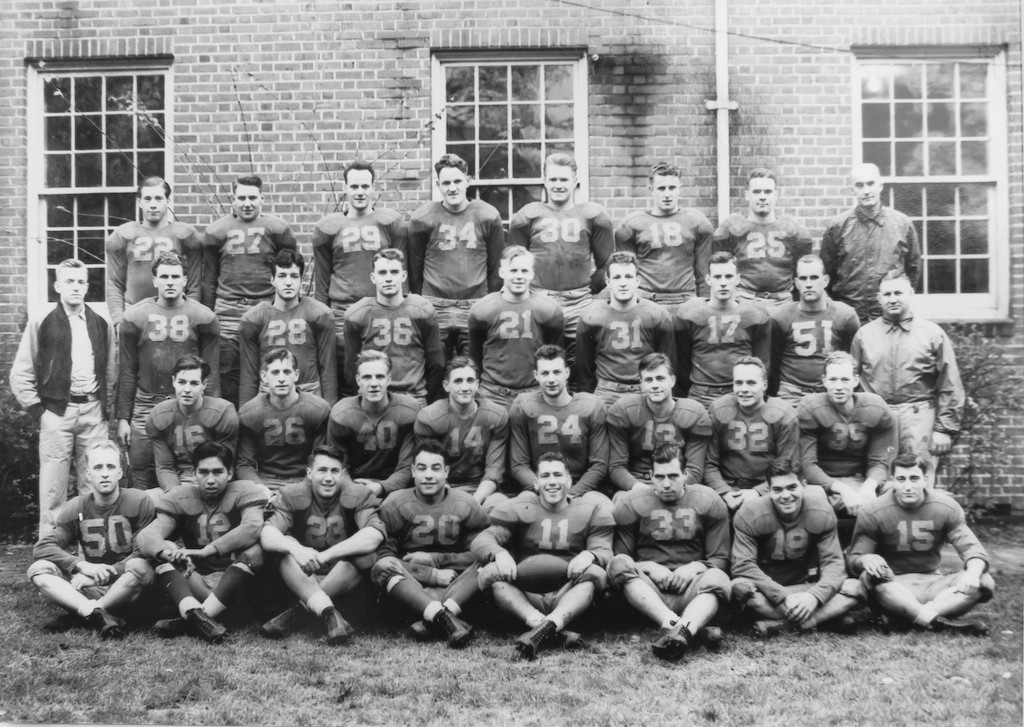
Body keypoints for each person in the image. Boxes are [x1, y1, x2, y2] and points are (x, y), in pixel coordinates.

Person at [10, 258, 116, 537]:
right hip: (57, 412)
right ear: (57, 285)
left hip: (93, 411)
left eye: (81, 282)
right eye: (69, 281)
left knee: (93, 484)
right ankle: (51, 550)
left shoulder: (101, 323)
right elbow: (20, 373)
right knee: (53, 489)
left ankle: (91, 548)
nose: (76, 287)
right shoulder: (43, 321)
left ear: (87, 286)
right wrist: (39, 411)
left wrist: (107, 408)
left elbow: (112, 371)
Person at [472, 452, 614, 660]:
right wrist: (500, 553)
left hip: (568, 592)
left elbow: (605, 550)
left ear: (569, 480)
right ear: (536, 483)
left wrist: (589, 554)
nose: (552, 482)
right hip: (527, 593)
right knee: (492, 573)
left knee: (594, 574)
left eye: (558, 475)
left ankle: (546, 627)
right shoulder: (522, 506)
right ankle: (545, 626)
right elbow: (482, 541)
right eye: (546, 476)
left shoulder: (589, 509)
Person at [846, 454, 994, 635]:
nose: (908, 486)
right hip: (893, 586)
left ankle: (909, 619)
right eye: (901, 479)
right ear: (893, 481)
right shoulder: (873, 510)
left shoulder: (945, 507)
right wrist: (867, 558)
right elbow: (854, 559)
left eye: (914, 478)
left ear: (926, 480)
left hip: (933, 584)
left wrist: (972, 572)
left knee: (984, 580)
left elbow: (972, 548)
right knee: (870, 578)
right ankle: (939, 621)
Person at [608, 444, 730, 660]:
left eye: (673, 476)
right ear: (650, 476)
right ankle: (683, 628)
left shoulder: (708, 501)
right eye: (660, 476)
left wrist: (695, 567)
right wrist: (649, 567)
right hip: (648, 591)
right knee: (617, 564)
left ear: (686, 474)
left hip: (691, 591)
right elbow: (620, 559)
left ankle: (679, 628)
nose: (666, 484)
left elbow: (720, 559)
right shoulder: (631, 503)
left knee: (718, 578)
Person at [137, 441, 268, 642]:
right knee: (158, 554)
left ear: (230, 473)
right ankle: (199, 614)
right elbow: (147, 536)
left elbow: (251, 527)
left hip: (236, 579)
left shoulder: (245, 490)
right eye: (203, 472)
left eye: (217, 472)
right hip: (197, 577)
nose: (210, 480)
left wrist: (206, 550)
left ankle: (193, 617)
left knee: (255, 551)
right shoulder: (180, 496)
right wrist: (167, 552)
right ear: (194, 474)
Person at [26, 441, 155, 638]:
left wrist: (104, 574)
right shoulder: (76, 507)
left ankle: (86, 613)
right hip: (90, 585)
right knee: (38, 569)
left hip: (126, 585)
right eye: (98, 467)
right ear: (88, 475)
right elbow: (43, 547)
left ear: (120, 473)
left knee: (141, 566)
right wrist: (81, 565)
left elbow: (144, 552)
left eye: (110, 467)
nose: (104, 473)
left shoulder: (139, 501)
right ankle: (95, 613)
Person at [259, 445, 385, 644]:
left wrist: (326, 555)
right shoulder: (293, 494)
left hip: (341, 573)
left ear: (343, 474)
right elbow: (267, 534)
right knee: (285, 545)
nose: (329, 478)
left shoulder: (359, 494)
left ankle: (298, 612)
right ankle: (330, 613)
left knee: (365, 554)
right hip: (303, 573)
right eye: (322, 470)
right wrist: (296, 549)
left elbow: (374, 535)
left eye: (335, 471)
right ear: (309, 473)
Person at [117, 251, 220, 491]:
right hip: (146, 403)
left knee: (189, 470)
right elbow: (127, 371)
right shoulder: (134, 317)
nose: (170, 282)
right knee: (142, 470)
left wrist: (212, 411)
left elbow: (211, 373)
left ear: (185, 279)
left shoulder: (203, 317)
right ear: (155, 280)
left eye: (176, 276)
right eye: (164, 276)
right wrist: (123, 418)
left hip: (187, 402)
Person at [371, 441, 489, 647]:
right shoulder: (394, 502)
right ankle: (445, 617)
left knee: (488, 565)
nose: (428, 475)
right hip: (412, 586)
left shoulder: (466, 502)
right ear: (412, 471)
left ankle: (435, 617)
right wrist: (430, 574)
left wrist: (437, 560)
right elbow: (384, 558)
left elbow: (479, 552)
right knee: (385, 570)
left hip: (455, 587)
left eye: (435, 468)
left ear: (446, 472)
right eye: (422, 468)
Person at [851, 271, 963, 483]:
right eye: (887, 294)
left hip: (919, 417)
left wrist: (944, 428)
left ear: (911, 294)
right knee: (880, 482)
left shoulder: (932, 333)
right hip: (879, 419)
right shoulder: (864, 335)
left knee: (920, 482)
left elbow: (950, 383)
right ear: (878, 298)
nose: (892, 299)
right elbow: (853, 383)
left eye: (898, 293)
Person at [730, 464, 866, 635]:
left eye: (792, 487)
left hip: (805, 588)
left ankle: (785, 625)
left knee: (855, 586)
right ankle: (825, 619)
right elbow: (743, 566)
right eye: (777, 489)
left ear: (803, 485)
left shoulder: (821, 509)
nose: (786, 496)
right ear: (769, 490)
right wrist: (782, 595)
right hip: (769, 593)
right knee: (740, 588)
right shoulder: (750, 513)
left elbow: (834, 564)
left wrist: (814, 596)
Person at [508, 153, 614, 365]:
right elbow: (515, 264)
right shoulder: (527, 215)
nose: (558, 185)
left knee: (582, 363)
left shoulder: (593, 215)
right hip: (538, 298)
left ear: (575, 181)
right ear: (544, 180)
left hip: (579, 301)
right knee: (537, 361)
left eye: (564, 179)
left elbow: (607, 265)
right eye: (553, 179)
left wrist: (587, 291)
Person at [201, 174, 298, 405]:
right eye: (241, 198)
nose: (247, 203)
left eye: (252, 197)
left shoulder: (278, 229)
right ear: (232, 200)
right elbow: (209, 279)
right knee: (226, 369)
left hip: (264, 307)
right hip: (227, 310)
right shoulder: (217, 231)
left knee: (270, 366)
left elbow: (290, 272)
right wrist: (208, 315)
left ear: (262, 198)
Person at [312, 160, 408, 378]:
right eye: (354, 186)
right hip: (342, 312)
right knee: (348, 375)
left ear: (374, 188)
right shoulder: (328, 228)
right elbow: (322, 282)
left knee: (383, 374)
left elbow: (403, 277)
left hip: (381, 311)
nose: (360, 192)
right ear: (344, 188)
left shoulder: (390, 222)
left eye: (365, 186)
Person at [408, 153, 505, 358]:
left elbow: (496, 270)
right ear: (438, 184)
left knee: (472, 366)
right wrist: (424, 304)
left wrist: (485, 303)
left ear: (468, 181)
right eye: (446, 183)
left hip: (474, 304)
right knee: (435, 365)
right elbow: (414, 271)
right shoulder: (423, 218)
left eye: (457, 181)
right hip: (435, 304)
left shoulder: (487, 215)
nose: (452, 188)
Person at [796, 352, 897, 518]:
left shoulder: (875, 407)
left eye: (845, 379)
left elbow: (879, 462)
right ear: (824, 381)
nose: (838, 386)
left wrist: (869, 487)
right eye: (833, 379)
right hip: (823, 484)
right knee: (811, 498)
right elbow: (807, 466)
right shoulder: (810, 407)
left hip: (861, 479)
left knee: (897, 492)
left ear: (856, 380)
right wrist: (844, 490)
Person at [821, 163, 921, 323]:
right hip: (850, 317)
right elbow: (827, 274)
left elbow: (913, 270)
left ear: (880, 185)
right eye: (859, 185)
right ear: (851, 189)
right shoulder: (837, 227)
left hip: (889, 316)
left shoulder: (902, 224)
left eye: (871, 184)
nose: (866, 191)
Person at [467, 245, 564, 409]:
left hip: (534, 392)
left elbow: (554, 355)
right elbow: (475, 356)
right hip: (493, 393)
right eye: (513, 271)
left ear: (532, 274)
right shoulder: (482, 309)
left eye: (524, 271)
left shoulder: (548, 309)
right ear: (502, 273)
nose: (519, 276)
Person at [343, 248, 444, 405]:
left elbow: (436, 363)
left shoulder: (422, 310)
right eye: (382, 273)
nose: (388, 278)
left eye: (394, 272)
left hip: (413, 396)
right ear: (373, 277)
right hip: (375, 398)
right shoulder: (358, 314)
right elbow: (351, 368)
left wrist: (423, 396)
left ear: (403, 276)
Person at [238, 249, 338, 406]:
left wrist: (329, 410)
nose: (289, 282)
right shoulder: (255, 318)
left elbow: (328, 371)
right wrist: (246, 414)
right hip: (269, 396)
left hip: (309, 394)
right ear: (272, 280)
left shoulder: (318, 314)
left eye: (294, 276)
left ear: (301, 280)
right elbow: (249, 376)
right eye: (282, 276)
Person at [575, 251, 675, 407]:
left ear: (637, 281)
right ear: (608, 281)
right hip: (607, 391)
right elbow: (584, 368)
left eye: (628, 277)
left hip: (644, 389)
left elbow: (667, 362)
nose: (623, 283)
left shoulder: (657, 315)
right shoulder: (591, 316)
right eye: (617, 277)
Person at [509, 345, 608, 499]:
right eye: (545, 373)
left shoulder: (591, 406)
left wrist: (572, 493)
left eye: (556, 372)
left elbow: (599, 465)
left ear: (567, 373)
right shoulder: (523, 406)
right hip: (539, 490)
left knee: (603, 507)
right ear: (536, 375)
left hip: (581, 491)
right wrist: (544, 490)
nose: (551, 379)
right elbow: (518, 464)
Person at [606, 353, 711, 496]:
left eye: (660, 378)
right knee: (621, 503)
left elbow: (695, 470)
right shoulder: (625, 410)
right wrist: (638, 487)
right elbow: (616, 467)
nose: (655, 385)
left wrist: (670, 488)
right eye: (648, 380)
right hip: (638, 485)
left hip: (678, 485)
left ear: (672, 381)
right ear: (641, 384)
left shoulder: (694, 413)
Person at [675, 252, 771, 408]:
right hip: (702, 394)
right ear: (708, 279)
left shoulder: (754, 313)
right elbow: (683, 363)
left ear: (737, 279)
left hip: (740, 392)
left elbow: (763, 362)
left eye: (728, 276)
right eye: (718, 277)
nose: (723, 283)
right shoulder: (690, 313)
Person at [414, 357, 510, 511]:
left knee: (501, 505)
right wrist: (453, 500)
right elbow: (430, 469)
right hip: (442, 487)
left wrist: (474, 501)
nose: (465, 387)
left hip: (481, 489)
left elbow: (494, 470)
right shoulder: (430, 417)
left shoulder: (495, 415)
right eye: (458, 381)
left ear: (477, 384)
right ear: (446, 385)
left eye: (470, 380)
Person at [705, 357, 799, 513]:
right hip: (728, 487)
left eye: (751, 383)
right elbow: (709, 463)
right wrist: (724, 491)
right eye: (738, 383)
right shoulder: (719, 409)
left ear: (764, 385)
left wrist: (758, 492)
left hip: (769, 488)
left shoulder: (784, 414)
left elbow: (788, 467)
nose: (743, 389)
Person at [614, 161, 713, 309]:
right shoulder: (631, 225)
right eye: (661, 188)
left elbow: (704, 274)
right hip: (646, 301)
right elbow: (625, 273)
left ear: (680, 189)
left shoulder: (697, 222)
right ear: (651, 189)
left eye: (672, 188)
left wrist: (705, 306)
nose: (667, 194)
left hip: (685, 301)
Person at [105, 176, 202, 327]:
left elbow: (194, 285)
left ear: (168, 201)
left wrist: (190, 317)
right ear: (139, 202)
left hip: (175, 315)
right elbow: (114, 283)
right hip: (134, 314)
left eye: (158, 198)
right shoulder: (124, 234)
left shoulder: (185, 234)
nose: (153, 205)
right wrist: (119, 321)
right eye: (148, 199)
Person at [711, 169, 814, 305]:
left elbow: (802, 273)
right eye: (756, 191)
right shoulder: (732, 229)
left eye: (768, 192)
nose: (762, 197)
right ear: (747, 195)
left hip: (782, 301)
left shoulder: (791, 230)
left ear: (776, 195)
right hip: (745, 300)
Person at [768, 255, 860, 404]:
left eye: (814, 277)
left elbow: (853, 361)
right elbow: (773, 364)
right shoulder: (780, 317)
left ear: (825, 281)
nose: (809, 284)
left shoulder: (845, 316)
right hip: (791, 393)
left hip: (830, 392)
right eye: (803, 279)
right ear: (796, 283)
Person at [236, 349, 331, 493]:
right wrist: (259, 488)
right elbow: (244, 464)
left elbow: (321, 459)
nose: (281, 378)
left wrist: (304, 487)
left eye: (287, 372)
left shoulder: (317, 409)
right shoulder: (250, 413)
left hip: (306, 480)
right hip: (266, 481)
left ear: (296, 375)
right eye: (275, 372)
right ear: (264, 376)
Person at [328, 350, 419, 498]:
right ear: (358, 380)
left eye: (380, 377)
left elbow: (407, 467)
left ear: (389, 379)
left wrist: (380, 487)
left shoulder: (408, 410)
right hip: (353, 487)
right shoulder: (342, 414)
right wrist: (353, 490)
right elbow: (337, 466)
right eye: (367, 377)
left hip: (395, 489)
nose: (374, 384)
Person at [146, 355, 238, 492]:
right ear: (173, 381)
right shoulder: (159, 415)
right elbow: (165, 467)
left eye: (194, 383)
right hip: (178, 481)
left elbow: (222, 466)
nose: (187, 389)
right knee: (146, 500)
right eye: (182, 382)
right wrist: (176, 495)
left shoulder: (222, 413)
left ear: (204, 385)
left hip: (212, 482)